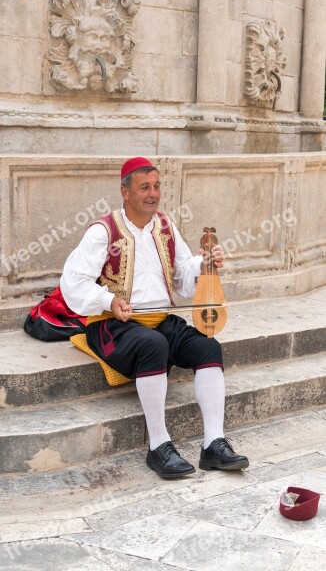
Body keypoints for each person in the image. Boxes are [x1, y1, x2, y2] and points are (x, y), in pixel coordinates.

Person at [60, 157, 249, 478]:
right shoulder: (102, 231)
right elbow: (72, 282)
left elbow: (182, 275)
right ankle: (158, 447)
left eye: (157, 186)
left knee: (208, 347)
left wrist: (206, 264)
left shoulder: (165, 226)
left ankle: (213, 444)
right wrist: (109, 299)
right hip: (111, 325)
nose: (153, 193)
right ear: (125, 191)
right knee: (153, 346)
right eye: (144, 187)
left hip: (159, 320)